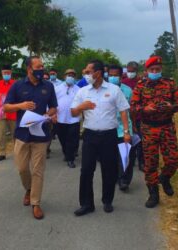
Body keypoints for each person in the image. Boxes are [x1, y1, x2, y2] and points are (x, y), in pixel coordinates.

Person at [71, 60, 131, 216]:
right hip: (90, 135)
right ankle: (86, 204)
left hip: (109, 135)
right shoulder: (83, 91)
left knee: (109, 170)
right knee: (86, 170)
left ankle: (107, 200)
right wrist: (80, 107)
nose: (86, 74)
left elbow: (124, 111)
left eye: (88, 71)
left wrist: (126, 132)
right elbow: (73, 112)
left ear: (97, 73)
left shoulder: (114, 90)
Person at [3, 56, 58, 220]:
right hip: (22, 135)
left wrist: (49, 115)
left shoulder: (48, 86)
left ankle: (36, 203)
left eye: (42, 66)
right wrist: (21, 105)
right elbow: (6, 107)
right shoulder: (18, 85)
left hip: (41, 135)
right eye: (38, 66)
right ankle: (28, 189)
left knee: (38, 171)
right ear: (29, 69)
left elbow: (54, 107)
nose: (42, 68)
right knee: (22, 169)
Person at [130, 56, 178, 208]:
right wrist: (144, 109)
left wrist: (170, 106)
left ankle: (165, 178)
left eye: (157, 69)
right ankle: (153, 193)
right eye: (152, 70)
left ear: (161, 70)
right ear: (146, 71)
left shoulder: (170, 83)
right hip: (148, 128)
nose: (155, 72)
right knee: (150, 163)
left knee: (172, 160)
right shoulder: (140, 86)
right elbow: (133, 107)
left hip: (167, 127)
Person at [108, 65, 135, 191]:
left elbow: (131, 110)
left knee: (125, 156)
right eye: (110, 75)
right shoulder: (103, 90)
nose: (113, 78)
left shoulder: (128, 91)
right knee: (110, 157)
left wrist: (130, 130)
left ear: (121, 76)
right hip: (108, 129)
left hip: (124, 129)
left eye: (115, 75)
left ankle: (124, 180)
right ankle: (113, 177)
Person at [55, 69, 81, 168]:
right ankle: (66, 153)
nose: (70, 77)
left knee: (72, 140)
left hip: (74, 119)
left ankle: (70, 159)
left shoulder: (78, 89)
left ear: (75, 77)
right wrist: (52, 114)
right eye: (68, 75)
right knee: (62, 139)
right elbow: (52, 102)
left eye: (72, 75)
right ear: (64, 76)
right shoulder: (57, 88)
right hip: (60, 119)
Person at [0, 65, 17, 161]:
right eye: (4, 73)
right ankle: (1, 153)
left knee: (16, 133)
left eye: (8, 73)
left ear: (11, 73)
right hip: (1, 113)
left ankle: (18, 152)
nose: (6, 74)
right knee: (0, 133)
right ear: (1, 73)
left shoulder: (16, 84)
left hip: (13, 112)